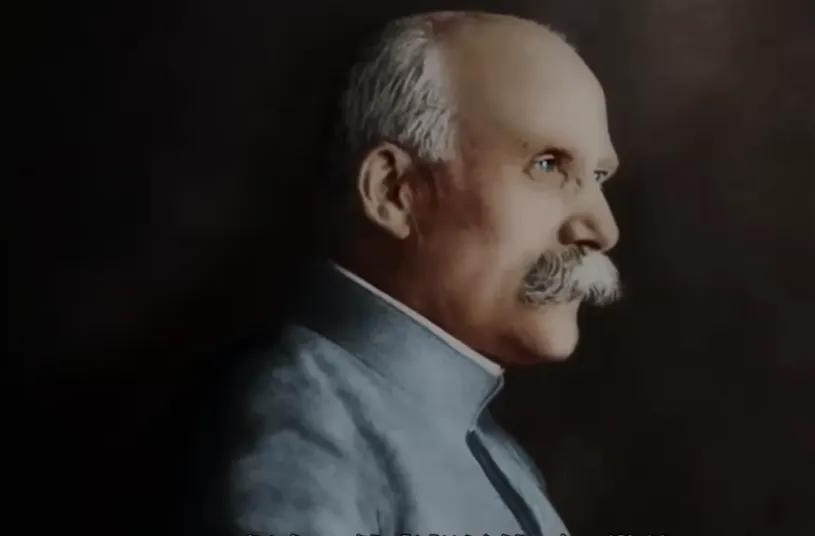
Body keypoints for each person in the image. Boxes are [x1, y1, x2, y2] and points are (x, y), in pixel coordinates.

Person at [181, 10, 623, 535]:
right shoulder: (304, 433)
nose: (603, 229)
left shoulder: (497, 453)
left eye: (598, 176)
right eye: (548, 165)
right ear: (394, 192)